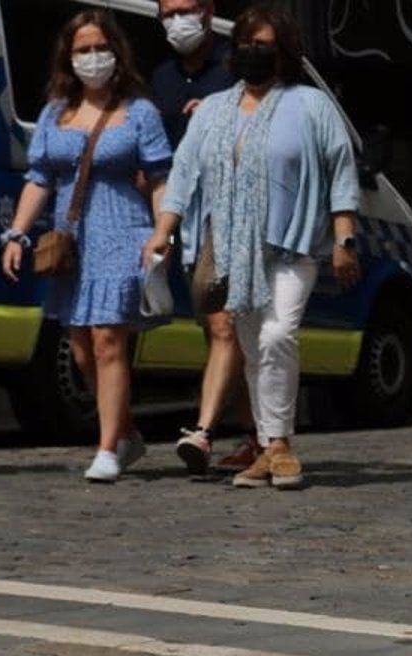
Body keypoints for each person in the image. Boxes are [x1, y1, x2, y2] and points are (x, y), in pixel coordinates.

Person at [146, 5, 361, 491]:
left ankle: (281, 443)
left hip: (291, 247)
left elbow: (340, 172)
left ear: (283, 52)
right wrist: (164, 230)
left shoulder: (311, 105)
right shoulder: (216, 110)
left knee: (277, 335)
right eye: (245, 43)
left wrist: (345, 238)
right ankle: (267, 448)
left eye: (263, 45)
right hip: (232, 251)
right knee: (251, 348)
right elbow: (183, 173)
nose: (252, 53)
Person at [1, 11, 171, 483]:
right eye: (83, 50)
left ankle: (106, 448)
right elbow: (40, 178)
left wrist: (162, 233)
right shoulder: (56, 113)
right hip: (72, 240)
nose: (93, 58)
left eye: (101, 48)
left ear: (117, 53)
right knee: (79, 347)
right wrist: (16, 233)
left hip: (124, 231)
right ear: (68, 57)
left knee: (108, 340)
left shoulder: (140, 113)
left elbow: (159, 177)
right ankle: (126, 433)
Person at [148, 0, 256, 477]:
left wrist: (219, 118)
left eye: (186, 9)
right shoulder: (163, 78)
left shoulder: (237, 66)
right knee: (220, 331)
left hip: (233, 214)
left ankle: (204, 429)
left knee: (225, 327)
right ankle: (260, 435)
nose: (178, 21)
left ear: (209, 10)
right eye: (168, 12)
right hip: (184, 219)